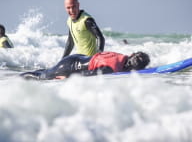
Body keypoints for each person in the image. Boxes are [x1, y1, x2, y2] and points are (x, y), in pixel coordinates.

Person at [20, 51, 150, 80]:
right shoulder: (111, 68)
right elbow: (83, 75)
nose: (139, 60)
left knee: (47, 71)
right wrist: (66, 77)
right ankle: (18, 79)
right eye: (139, 58)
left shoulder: (122, 56)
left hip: (77, 57)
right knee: (42, 76)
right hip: (70, 66)